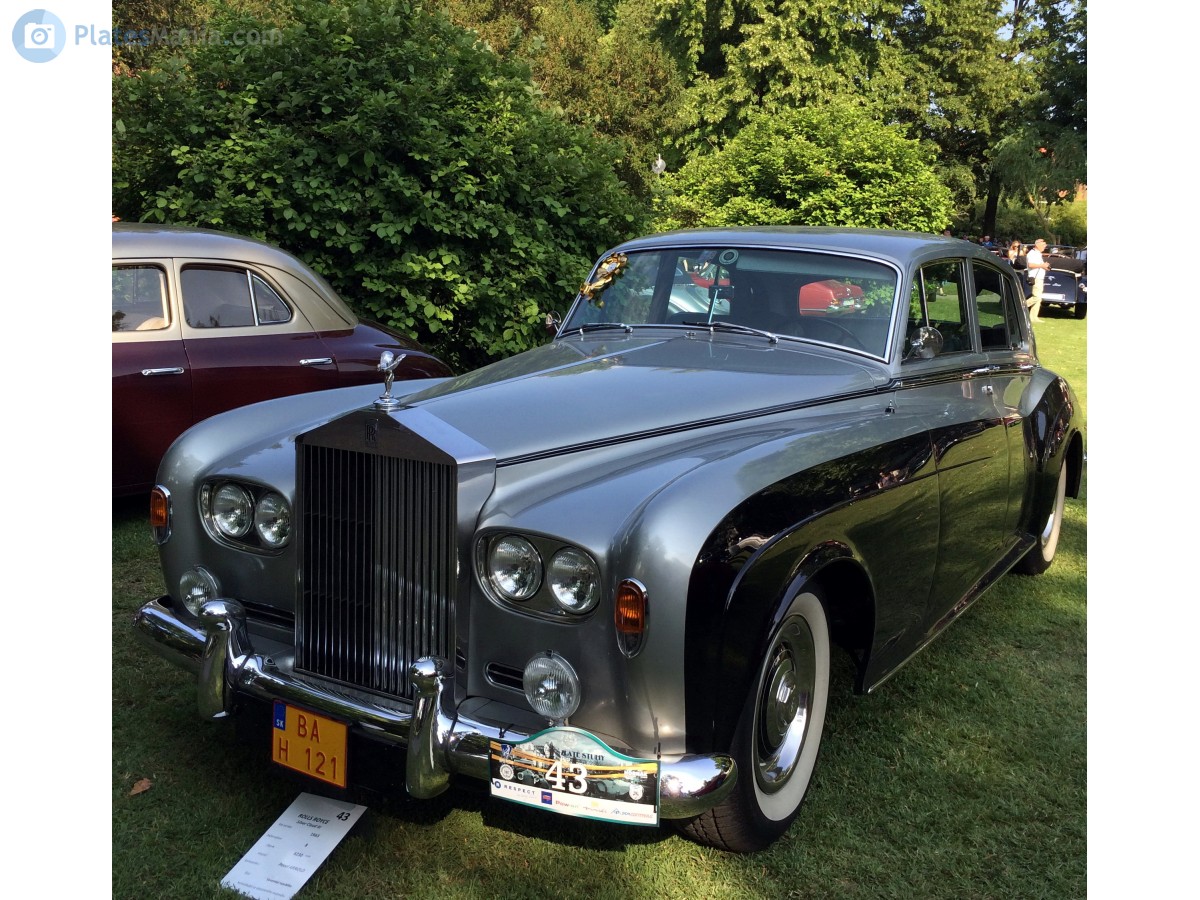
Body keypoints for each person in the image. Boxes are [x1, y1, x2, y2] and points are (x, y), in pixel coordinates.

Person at [1025, 238, 1051, 321]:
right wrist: (1042, 266)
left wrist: (1045, 267)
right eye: (1043, 245)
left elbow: (1039, 265)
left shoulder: (1038, 253)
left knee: (1038, 298)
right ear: (1037, 245)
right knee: (1036, 297)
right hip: (1035, 277)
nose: (1045, 246)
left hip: (1040, 277)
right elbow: (1030, 265)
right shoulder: (1032, 253)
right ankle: (1021, 306)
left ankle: (1033, 317)